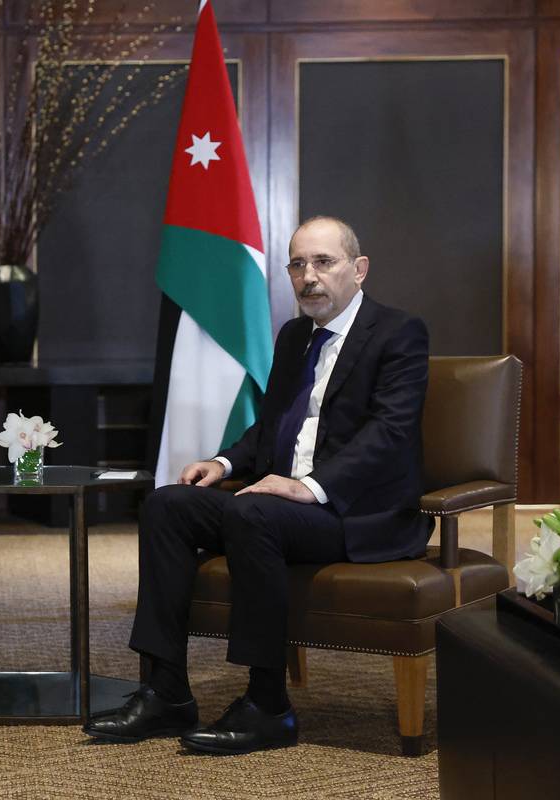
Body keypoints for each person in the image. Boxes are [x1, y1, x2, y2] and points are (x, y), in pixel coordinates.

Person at [83, 216, 431, 755]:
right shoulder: (295, 336)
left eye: (323, 262)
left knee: (254, 513)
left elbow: (390, 434)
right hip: (278, 510)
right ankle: (166, 691)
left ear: (359, 270)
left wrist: (310, 487)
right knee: (166, 505)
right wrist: (223, 463)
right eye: (297, 264)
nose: (308, 276)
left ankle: (268, 705)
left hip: (352, 515)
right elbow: (270, 425)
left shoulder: (399, 333)